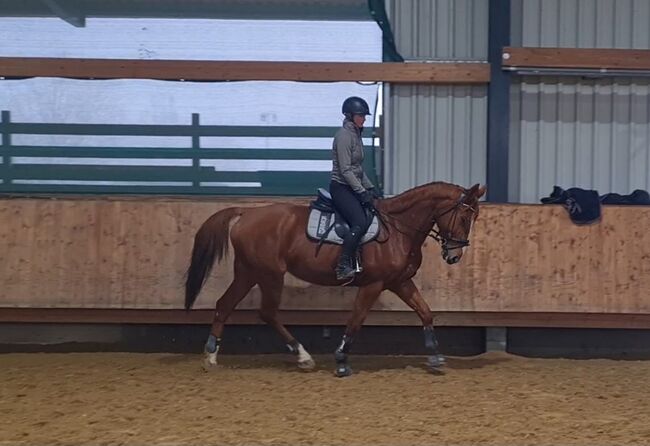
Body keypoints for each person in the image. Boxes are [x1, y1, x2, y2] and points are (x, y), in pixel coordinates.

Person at [329, 96, 380, 281]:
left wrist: (371, 188)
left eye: (364, 116)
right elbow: (345, 170)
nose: (364, 118)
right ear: (350, 116)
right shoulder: (343, 136)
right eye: (360, 115)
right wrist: (361, 191)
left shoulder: (356, 135)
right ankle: (343, 265)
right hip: (341, 187)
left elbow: (358, 169)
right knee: (359, 221)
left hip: (352, 185)